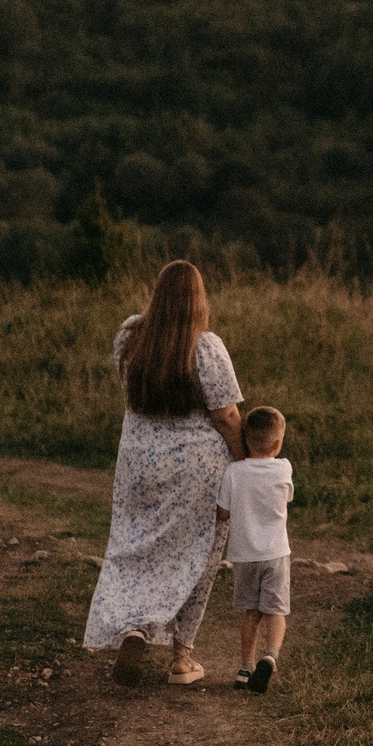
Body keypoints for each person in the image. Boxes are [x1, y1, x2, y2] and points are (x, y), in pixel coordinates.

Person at [83, 260, 246, 686]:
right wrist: (247, 464)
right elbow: (227, 416)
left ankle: (134, 629)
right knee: (199, 555)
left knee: (135, 548)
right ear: (199, 300)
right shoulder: (206, 347)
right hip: (196, 468)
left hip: (138, 462)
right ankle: (181, 658)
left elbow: (128, 390)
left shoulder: (130, 335)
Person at [219, 404, 295, 693]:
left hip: (244, 555)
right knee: (276, 612)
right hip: (275, 554)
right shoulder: (284, 468)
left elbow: (223, 513)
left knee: (250, 613)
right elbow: (285, 498)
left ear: (245, 440)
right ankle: (270, 656)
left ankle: (245, 667)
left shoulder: (233, 472)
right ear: (277, 443)